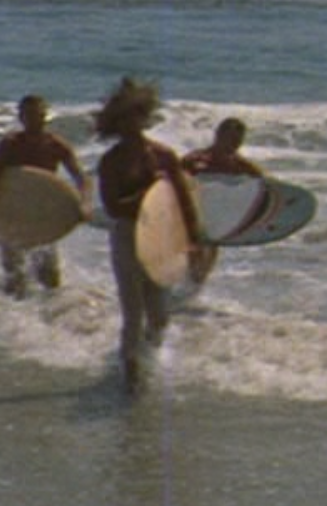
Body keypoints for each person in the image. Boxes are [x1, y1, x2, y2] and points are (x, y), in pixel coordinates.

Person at [95, 78, 207, 395]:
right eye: (125, 118)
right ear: (116, 123)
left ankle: (144, 358)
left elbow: (183, 200)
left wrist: (194, 240)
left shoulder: (163, 155)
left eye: (137, 116)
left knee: (159, 315)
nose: (132, 123)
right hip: (127, 234)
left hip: (162, 234)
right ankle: (130, 374)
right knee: (133, 312)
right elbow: (113, 207)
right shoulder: (111, 161)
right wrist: (148, 191)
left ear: (144, 117)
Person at [0, 94, 90, 298]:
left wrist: (84, 203)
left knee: (49, 276)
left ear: (45, 116)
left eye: (38, 115)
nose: (34, 119)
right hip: (12, 214)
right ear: (21, 117)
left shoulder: (56, 145)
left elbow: (81, 178)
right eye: (29, 115)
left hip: (43, 215)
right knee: (14, 274)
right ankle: (11, 313)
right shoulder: (10, 144)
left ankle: (51, 313)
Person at [181, 117, 266, 284]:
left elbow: (265, 186)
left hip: (217, 218)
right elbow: (174, 183)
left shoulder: (242, 166)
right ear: (218, 135)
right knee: (191, 249)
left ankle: (195, 283)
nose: (235, 145)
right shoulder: (195, 159)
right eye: (231, 139)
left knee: (208, 251)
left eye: (238, 141)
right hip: (192, 213)